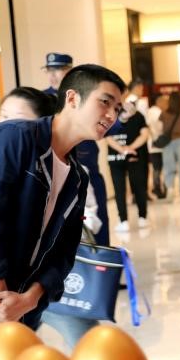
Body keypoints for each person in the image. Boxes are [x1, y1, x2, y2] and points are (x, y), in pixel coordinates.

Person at [0, 65, 125, 332]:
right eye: (105, 102)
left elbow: (63, 253)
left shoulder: (76, 179)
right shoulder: (15, 138)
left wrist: (29, 299)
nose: (111, 115)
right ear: (72, 98)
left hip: (20, 311)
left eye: (117, 109)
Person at [42, 52, 111, 245]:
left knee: (97, 223)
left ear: (70, 71)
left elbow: (108, 122)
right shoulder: (42, 99)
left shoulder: (88, 94)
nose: (53, 75)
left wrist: (121, 119)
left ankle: (99, 268)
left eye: (58, 69)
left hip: (86, 166)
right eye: (49, 70)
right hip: (57, 173)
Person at [106, 96, 150, 232]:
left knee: (135, 187)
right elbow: (107, 136)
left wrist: (127, 149)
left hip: (128, 156)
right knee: (125, 188)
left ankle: (135, 218)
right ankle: (131, 219)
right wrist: (126, 149)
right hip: (124, 156)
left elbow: (145, 134)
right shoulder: (111, 115)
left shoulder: (136, 116)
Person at [157, 92, 180, 200]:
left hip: (168, 142)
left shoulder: (163, 114)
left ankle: (170, 189)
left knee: (168, 167)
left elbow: (159, 129)